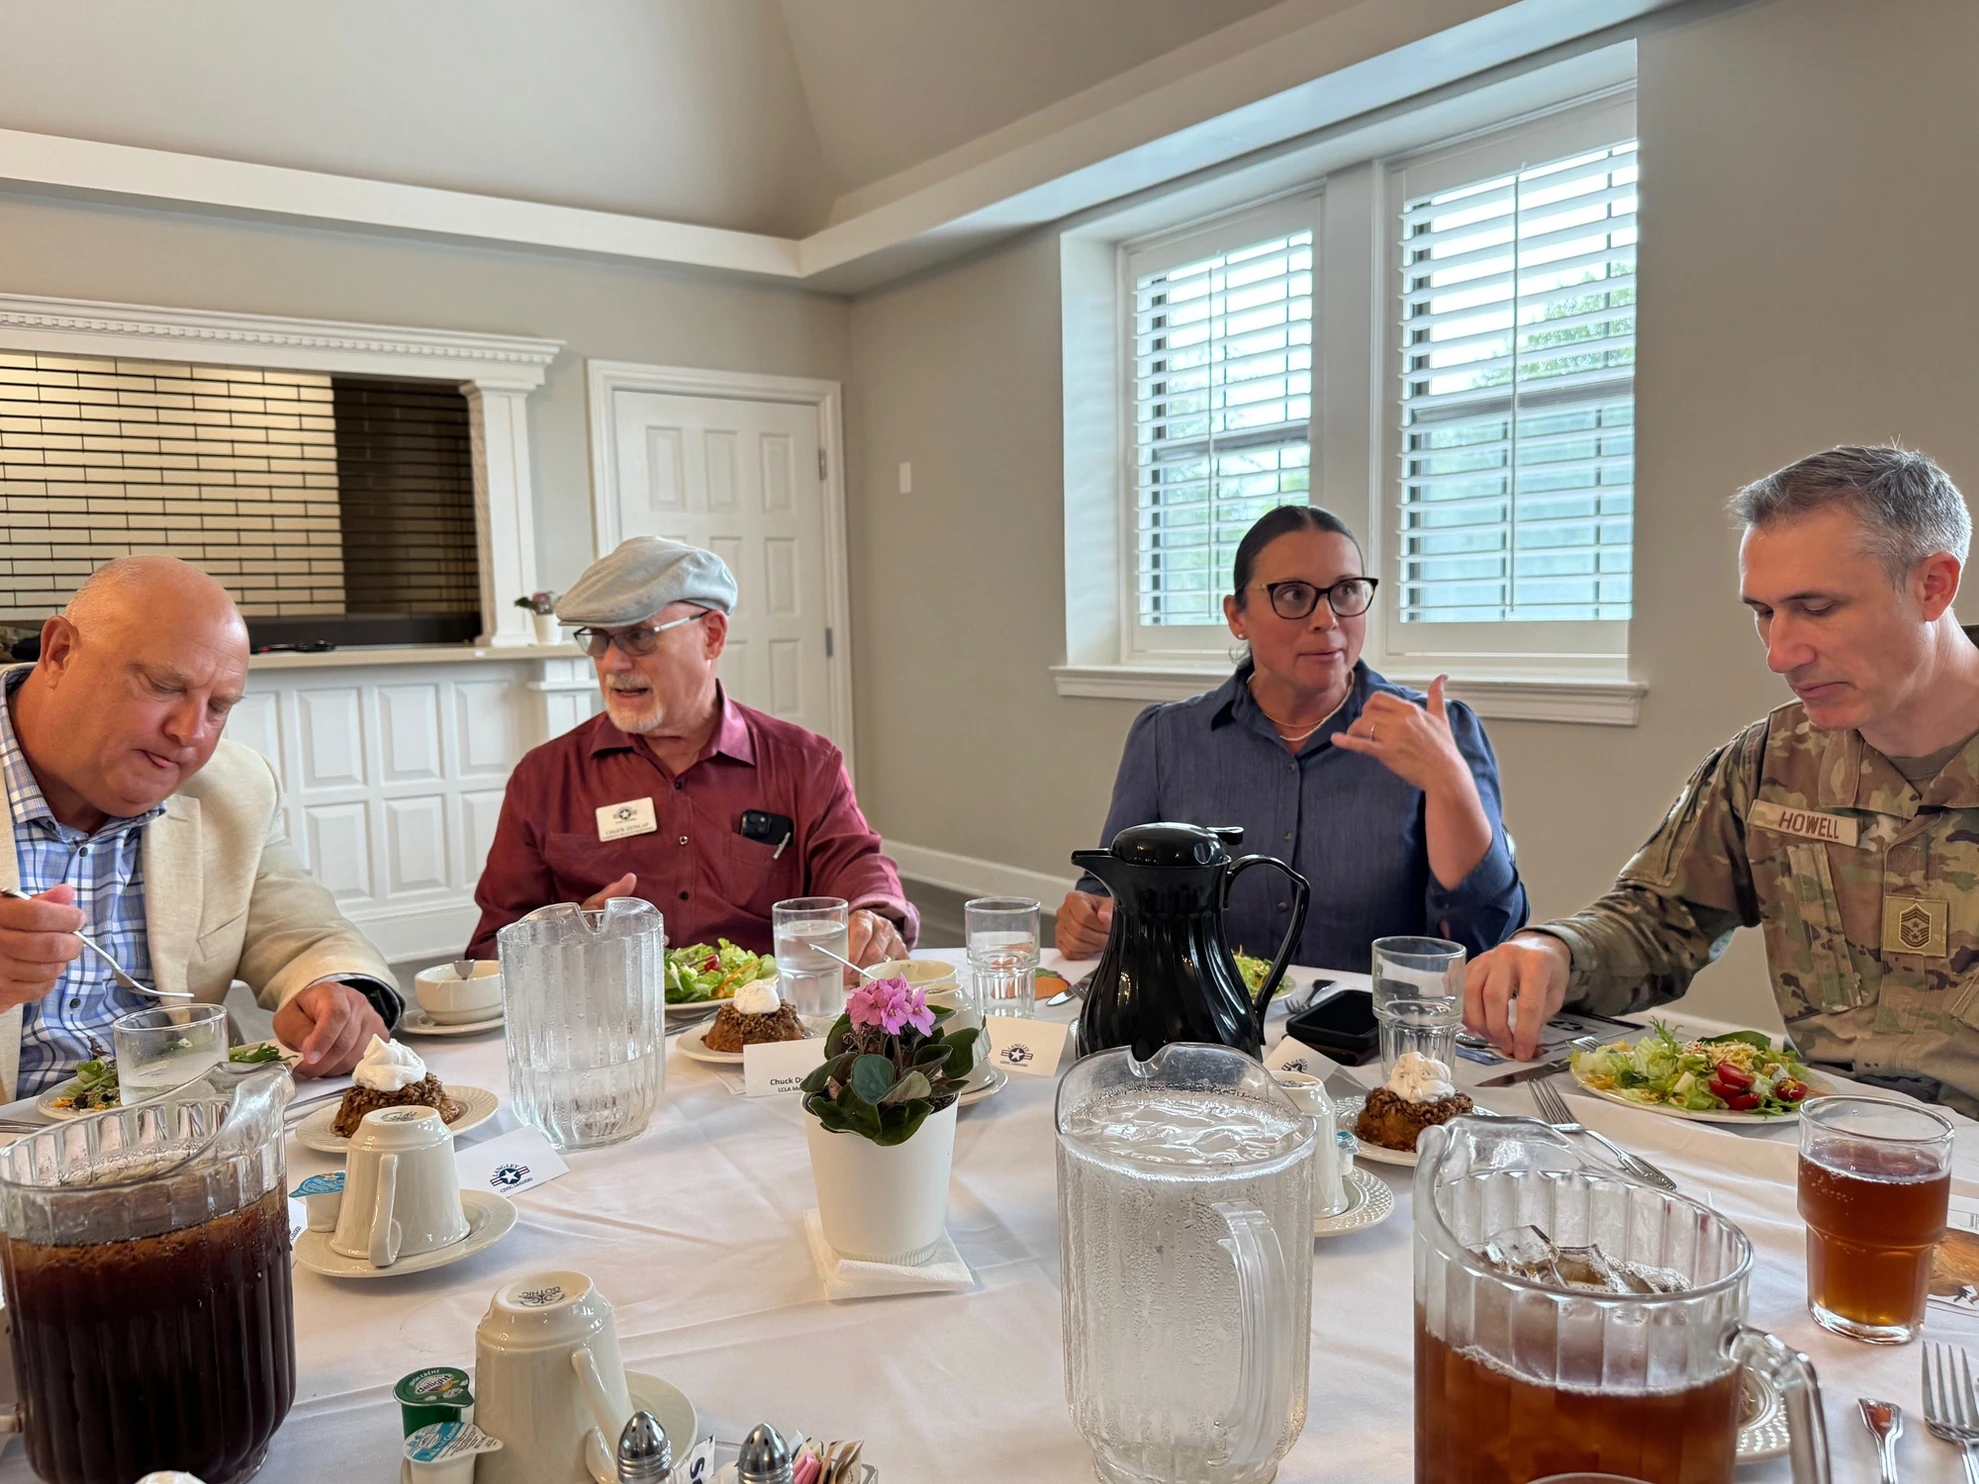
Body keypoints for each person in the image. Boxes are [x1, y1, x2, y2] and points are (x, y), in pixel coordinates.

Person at [1464, 446, 1979, 1115]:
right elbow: (1658, 920)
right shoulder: (1771, 761)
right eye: (1763, 612)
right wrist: (1553, 951)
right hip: (1821, 1142)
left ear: (1933, 585)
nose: (1778, 654)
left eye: (1815, 608)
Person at [1057, 504, 1527, 969]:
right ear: (1237, 615)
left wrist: (1449, 782)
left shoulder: (1438, 732)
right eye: (1294, 595)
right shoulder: (1166, 738)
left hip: (1374, 1037)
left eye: (1345, 591)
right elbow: (1107, 897)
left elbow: (1488, 938)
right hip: (1202, 1031)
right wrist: (1089, 921)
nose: (1327, 618)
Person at [0, 558, 400, 1097]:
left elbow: (304, 934)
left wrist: (334, 991)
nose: (190, 732)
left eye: (218, 707)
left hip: (196, 1129)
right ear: (60, 653)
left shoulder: (233, 787)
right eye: (164, 686)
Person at [468, 537, 918, 966]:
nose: (612, 663)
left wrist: (871, 917)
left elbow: (857, 866)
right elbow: (492, 945)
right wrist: (566, 937)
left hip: (765, 1028)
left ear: (713, 636)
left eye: (639, 636)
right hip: (609, 1031)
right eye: (600, 639)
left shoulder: (805, 764)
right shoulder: (545, 779)